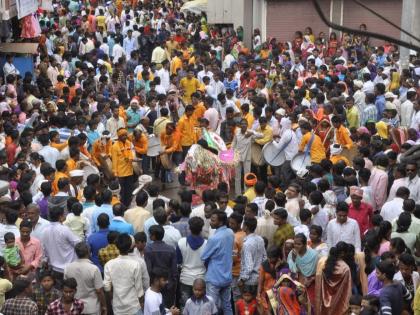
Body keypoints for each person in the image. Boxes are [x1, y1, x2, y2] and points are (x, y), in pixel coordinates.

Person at [201, 210, 234, 315]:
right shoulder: (230, 232)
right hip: (227, 276)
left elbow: (203, 256)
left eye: (213, 220)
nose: (210, 222)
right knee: (227, 305)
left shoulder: (214, 238)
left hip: (214, 278)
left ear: (220, 222)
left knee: (212, 307)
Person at [104, 233, 146, 315]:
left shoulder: (109, 264)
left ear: (117, 246)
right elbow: (139, 290)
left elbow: (107, 287)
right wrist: (142, 303)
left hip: (118, 308)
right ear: (131, 246)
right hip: (133, 307)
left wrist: (113, 299)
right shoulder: (135, 264)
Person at [64, 242, 107, 315]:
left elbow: (66, 288)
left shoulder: (67, 268)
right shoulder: (94, 269)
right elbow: (99, 291)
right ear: (89, 253)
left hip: (75, 307)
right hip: (92, 307)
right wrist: (104, 306)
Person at [42, 206, 80, 286]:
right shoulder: (64, 229)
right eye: (64, 214)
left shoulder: (45, 230)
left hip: (54, 268)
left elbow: (44, 250)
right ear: (60, 217)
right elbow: (78, 243)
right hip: (68, 268)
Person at [176, 217, 207, 308]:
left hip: (185, 278)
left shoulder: (181, 242)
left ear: (189, 228)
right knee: (201, 306)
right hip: (201, 279)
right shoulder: (207, 243)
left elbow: (178, 261)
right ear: (201, 229)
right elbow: (208, 263)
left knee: (185, 306)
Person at [144, 225, 178, 308]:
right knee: (168, 308)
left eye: (150, 234)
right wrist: (173, 284)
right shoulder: (171, 249)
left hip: (155, 285)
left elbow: (149, 269)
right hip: (168, 284)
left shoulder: (148, 249)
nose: (149, 236)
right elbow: (174, 270)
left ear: (154, 236)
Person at [315, 242, 352, 314]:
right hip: (339, 304)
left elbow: (319, 284)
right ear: (343, 253)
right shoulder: (345, 268)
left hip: (324, 301)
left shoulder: (324, 263)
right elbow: (347, 290)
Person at [287, 233, 318, 303]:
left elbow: (309, 273)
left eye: (299, 244)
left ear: (305, 245)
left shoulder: (313, 255)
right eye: (295, 244)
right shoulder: (292, 253)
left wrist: (296, 261)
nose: (296, 246)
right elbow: (292, 270)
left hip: (309, 284)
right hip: (295, 283)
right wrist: (294, 260)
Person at [238, 217, 266, 293]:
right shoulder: (260, 239)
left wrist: (242, 279)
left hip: (249, 281)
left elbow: (249, 267)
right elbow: (264, 258)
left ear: (246, 227)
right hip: (260, 278)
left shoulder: (247, 244)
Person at [111, 128, 135, 207]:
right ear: (119, 137)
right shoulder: (115, 146)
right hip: (120, 173)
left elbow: (131, 153)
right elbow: (114, 161)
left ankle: (128, 205)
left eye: (125, 135)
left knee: (129, 190)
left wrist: (131, 158)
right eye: (122, 136)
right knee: (122, 191)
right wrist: (115, 173)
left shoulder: (129, 143)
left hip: (129, 171)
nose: (124, 137)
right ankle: (122, 206)